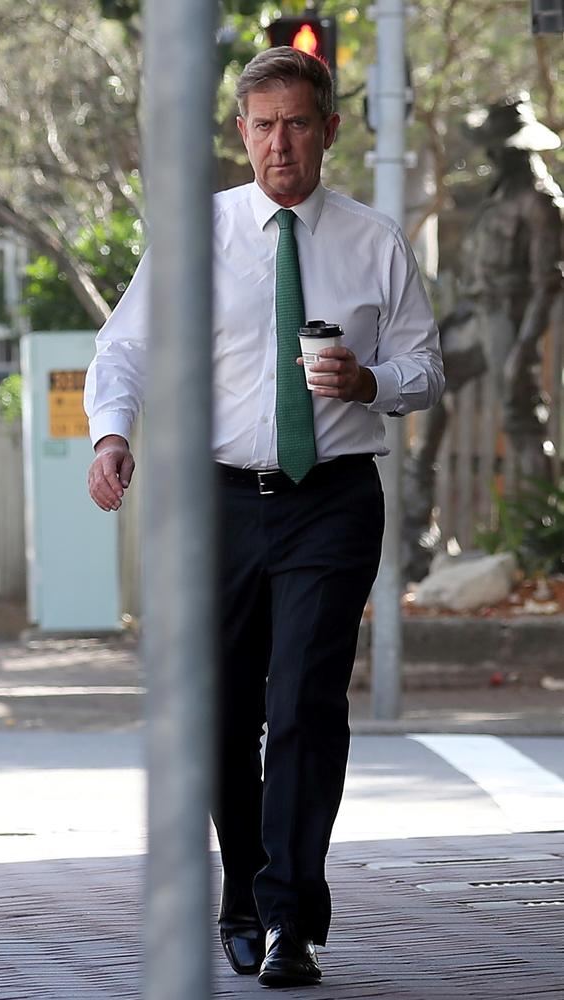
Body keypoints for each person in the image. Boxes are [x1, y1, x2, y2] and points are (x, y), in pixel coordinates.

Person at [85, 48, 443, 989]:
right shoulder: (197, 236)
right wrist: (111, 436)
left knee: (303, 707)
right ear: (240, 134)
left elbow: (426, 370)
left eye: (297, 122)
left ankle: (290, 917)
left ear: (329, 129)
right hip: (214, 504)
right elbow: (125, 346)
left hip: (330, 498)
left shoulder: (375, 241)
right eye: (262, 125)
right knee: (223, 713)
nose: (279, 143)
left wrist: (373, 381)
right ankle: (243, 891)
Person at [403, 93, 563, 582]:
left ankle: (539, 542)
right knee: (430, 389)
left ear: (513, 150)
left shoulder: (540, 202)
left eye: (498, 148)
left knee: (520, 420)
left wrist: (521, 348)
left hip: (508, 321)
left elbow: (547, 282)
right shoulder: (499, 196)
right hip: (475, 315)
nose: (491, 157)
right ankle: (417, 536)